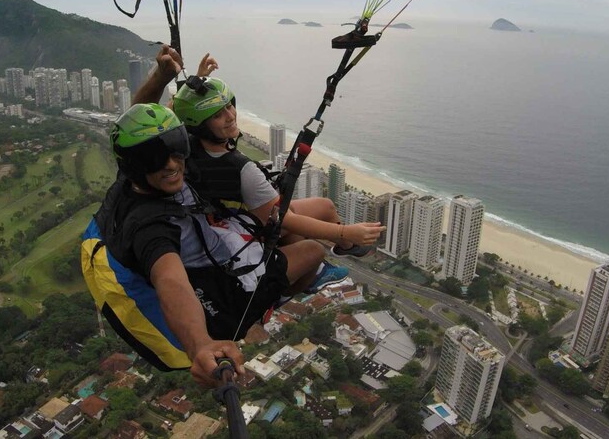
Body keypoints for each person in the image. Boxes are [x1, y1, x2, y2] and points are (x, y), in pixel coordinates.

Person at [82, 102, 329, 387]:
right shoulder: (148, 227)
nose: (172, 164)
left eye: (176, 149)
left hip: (214, 254)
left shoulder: (131, 179)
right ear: (136, 167)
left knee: (313, 213)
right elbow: (169, 279)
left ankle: (275, 282)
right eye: (155, 160)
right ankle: (273, 299)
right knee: (313, 251)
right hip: (223, 305)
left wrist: (164, 76)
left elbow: (134, 131)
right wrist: (199, 343)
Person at [138, 45, 385, 261]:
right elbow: (282, 219)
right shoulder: (242, 169)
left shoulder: (185, 146)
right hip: (248, 225)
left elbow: (157, 111)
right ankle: (329, 254)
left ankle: (339, 248)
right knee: (322, 213)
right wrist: (344, 233)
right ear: (201, 124)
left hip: (221, 215)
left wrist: (198, 81)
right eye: (217, 114)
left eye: (228, 107)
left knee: (316, 215)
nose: (230, 116)